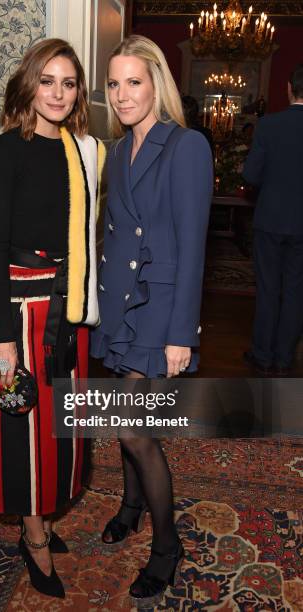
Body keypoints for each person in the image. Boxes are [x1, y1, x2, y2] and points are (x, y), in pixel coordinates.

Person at [0, 39, 105, 599]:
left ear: (77, 93)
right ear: (29, 85)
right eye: (47, 80)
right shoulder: (5, 151)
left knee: (59, 427)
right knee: (22, 426)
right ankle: (34, 538)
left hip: (68, 310)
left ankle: (45, 516)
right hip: (21, 315)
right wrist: (3, 339)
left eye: (68, 83)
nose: (57, 92)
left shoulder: (82, 152)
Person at [90, 35, 213, 608]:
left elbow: (193, 247)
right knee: (122, 419)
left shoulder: (186, 146)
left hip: (161, 311)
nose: (121, 94)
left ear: (156, 82)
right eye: (113, 84)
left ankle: (167, 548)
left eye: (133, 81)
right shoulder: (117, 152)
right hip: (121, 310)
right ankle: (130, 508)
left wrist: (180, 334)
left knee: (134, 430)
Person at [243, 64, 303, 375]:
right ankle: (284, 356)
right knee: (295, 290)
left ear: (289, 89)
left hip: (270, 219)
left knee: (268, 289)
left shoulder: (269, 125)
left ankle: (262, 354)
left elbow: (251, 174)